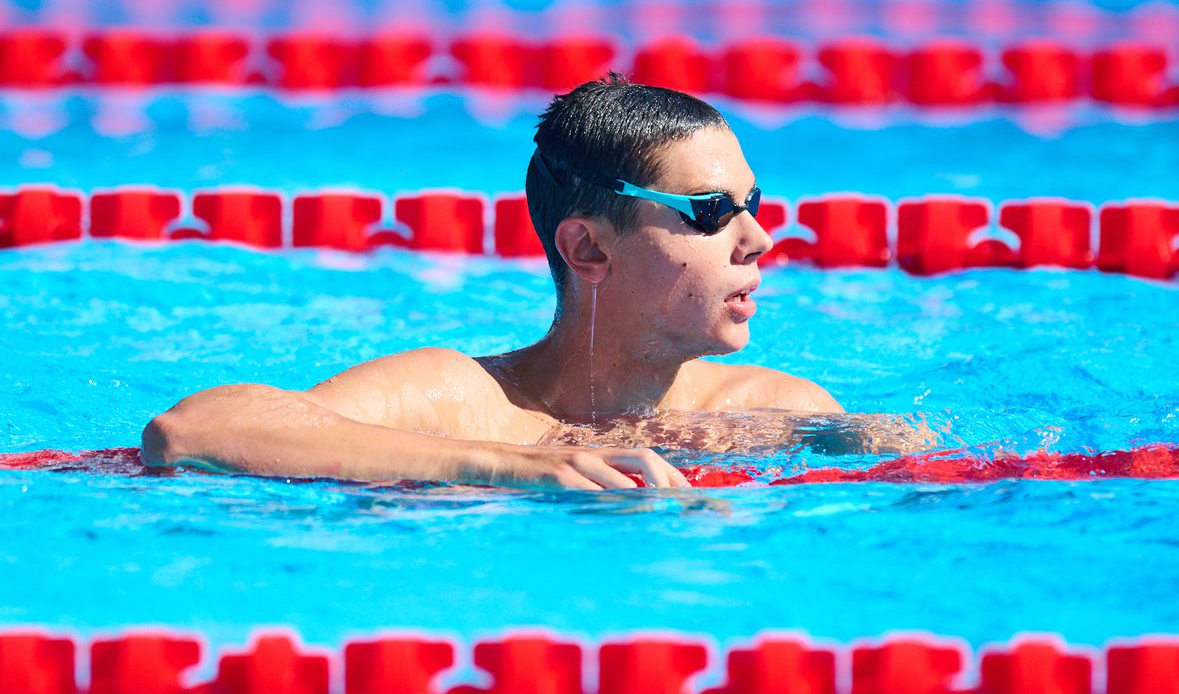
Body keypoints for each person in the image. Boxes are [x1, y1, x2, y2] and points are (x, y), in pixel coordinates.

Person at [142, 74, 846, 490]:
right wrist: (510, 467)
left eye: (752, 204)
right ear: (588, 248)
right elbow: (193, 430)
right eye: (712, 211)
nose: (759, 238)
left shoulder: (778, 414)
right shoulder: (468, 402)